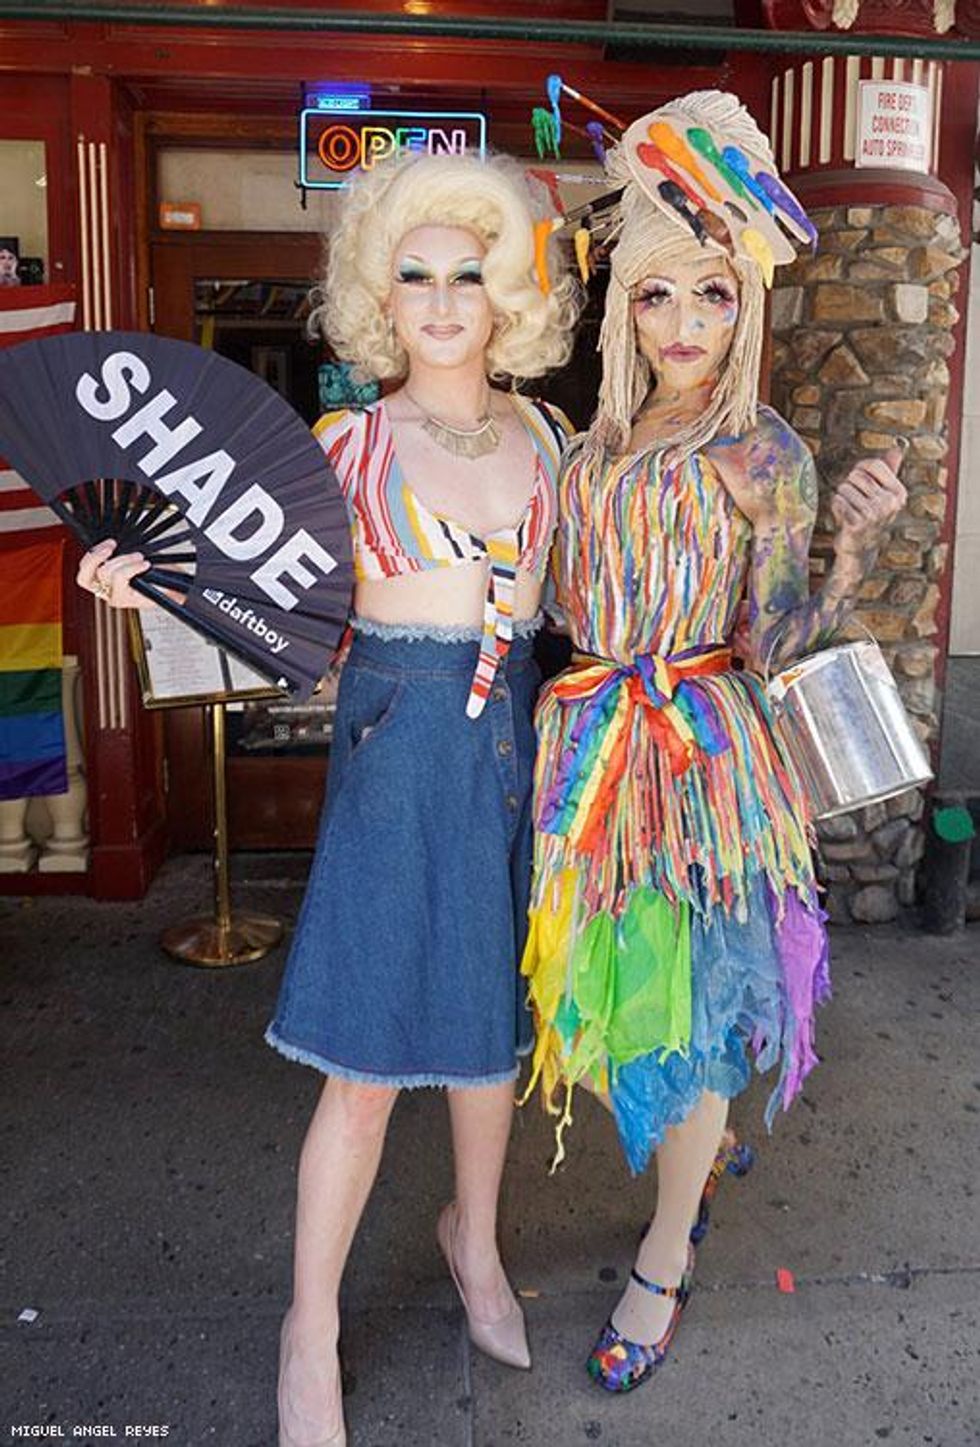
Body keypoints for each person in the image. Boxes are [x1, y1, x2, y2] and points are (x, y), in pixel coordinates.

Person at [77, 152, 576, 1447]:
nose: (445, 296)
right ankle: (311, 1322)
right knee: (361, 1069)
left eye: (470, 269)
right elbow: (252, 606)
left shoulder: (553, 439)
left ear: (509, 287)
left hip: (508, 764)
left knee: (486, 1044)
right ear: (378, 295)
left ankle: (474, 1242)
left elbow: (591, 611)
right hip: (392, 760)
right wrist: (153, 587)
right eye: (415, 274)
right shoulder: (344, 446)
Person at [520, 90, 907, 1393]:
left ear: (748, 306)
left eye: (714, 296)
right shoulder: (587, 450)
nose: (686, 326)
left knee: (687, 1008)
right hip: (591, 756)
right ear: (623, 308)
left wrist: (846, 547)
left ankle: (667, 1256)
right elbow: (559, 610)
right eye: (658, 297)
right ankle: (708, 1138)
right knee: (643, 1006)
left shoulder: (765, 451)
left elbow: (776, 636)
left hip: (702, 764)